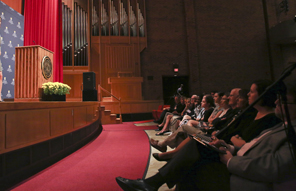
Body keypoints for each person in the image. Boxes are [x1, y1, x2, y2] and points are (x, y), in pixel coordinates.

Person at [116, 80, 296, 191]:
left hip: (243, 174)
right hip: (231, 152)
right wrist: (229, 147)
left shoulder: (281, 127)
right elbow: (245, 142)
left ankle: (155, 178)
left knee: (194, 155)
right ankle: (154, 180)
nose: (278, 101)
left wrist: (230, 157)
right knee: (195, 147)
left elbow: (270, 165)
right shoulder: (280, 125)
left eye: (284, 100)